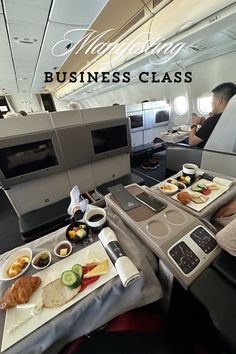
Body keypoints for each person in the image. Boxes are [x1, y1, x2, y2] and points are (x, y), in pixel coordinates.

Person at [189, 82, 236, 148]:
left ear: (219, 101)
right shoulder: (230, 117)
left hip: (202, 152)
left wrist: (194, 124)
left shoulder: (212, 120)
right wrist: (205, 123)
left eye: (212, 101)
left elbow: (191, 142)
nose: (211, 104)